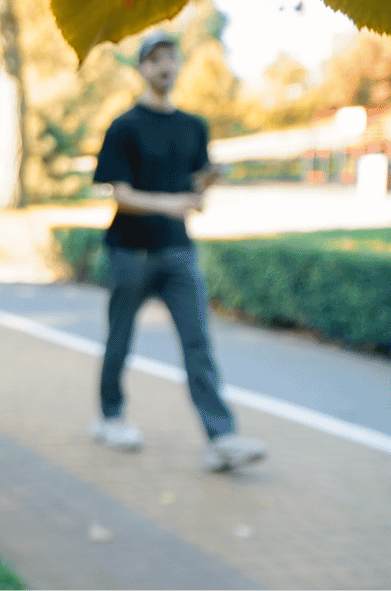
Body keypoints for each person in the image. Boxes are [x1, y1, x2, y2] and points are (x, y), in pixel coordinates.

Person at [90, 31, 267, 473]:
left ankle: (221, 438)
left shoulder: (194, 126)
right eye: (155, 60)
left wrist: (207, 180)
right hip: (130, 252)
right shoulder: (124, 126)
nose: (164, 66)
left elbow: (192, 189)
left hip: (178, 252)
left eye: (171, 58)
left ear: (179, 65)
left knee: (198, 344)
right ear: (141, 68)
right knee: (120, 338)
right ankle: (111, 416)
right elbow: (121, 194)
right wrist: (172, 204)